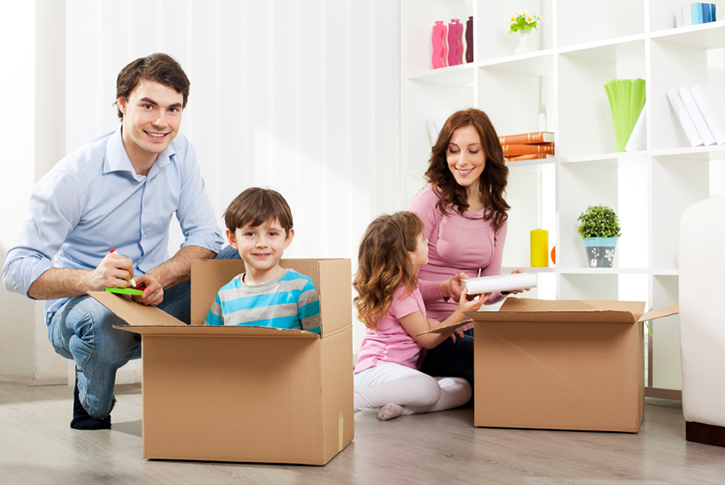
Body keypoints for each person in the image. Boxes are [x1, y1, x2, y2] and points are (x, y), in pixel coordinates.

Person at [1, 53, 232, 430]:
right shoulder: (75, 176)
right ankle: (93, 399)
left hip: (153, 296)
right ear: (123, 105)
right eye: (148, 106)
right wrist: (90, 280)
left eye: (173, 109)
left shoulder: (181, 153)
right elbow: (16, 268)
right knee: (102, 320)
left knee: (236, 260)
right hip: (86, 306)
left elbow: (205, 234)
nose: (161, 121)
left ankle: (214, 389)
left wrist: (160, 276)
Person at [408, 108, 525, 389]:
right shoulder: (430, 200)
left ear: (488, 154)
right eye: (453, 150)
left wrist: (505, 287)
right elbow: (396, 279)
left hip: (468, 327)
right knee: (501, 370)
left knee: (524, 355)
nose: (461, 161)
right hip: (431, 331)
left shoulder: (497, 215)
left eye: (473, 151)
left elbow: (486, 289)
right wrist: (444, 287)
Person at [352, 211, 485, 421]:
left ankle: (403, 408)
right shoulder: (402, 292)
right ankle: (356, 401)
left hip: (395, 374)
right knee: (428, 387)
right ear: (408, 257)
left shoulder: (407, 285)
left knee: (462, 387)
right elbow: (428, 339)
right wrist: (460, 314)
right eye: (423, 240)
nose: (428, 243)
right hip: (378, 370)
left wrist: (439, 322)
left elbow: (413, 320)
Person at [205, 187, 321, 333]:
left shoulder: (301, 289)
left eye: (272, 233)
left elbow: (318, 347)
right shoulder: (225, 295)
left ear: (287, 237)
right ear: (233, 239)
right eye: (250, 233)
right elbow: (209, 345)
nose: (261, 243)